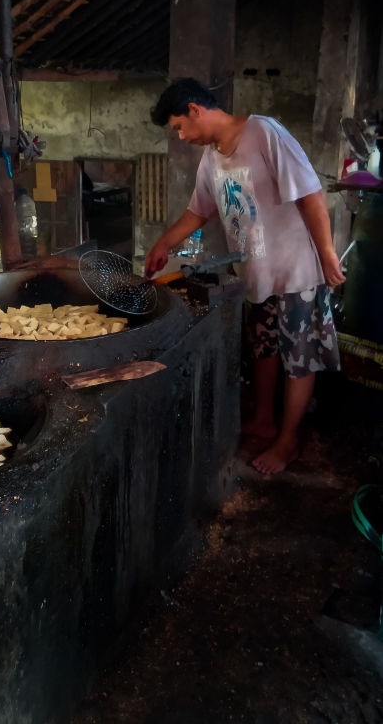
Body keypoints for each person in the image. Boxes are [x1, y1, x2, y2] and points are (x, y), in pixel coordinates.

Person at [145, 78, 344, 475]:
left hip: (295, 270)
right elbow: (198, 211)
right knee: (263, 347)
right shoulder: (212, 159)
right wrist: (163, 244)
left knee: (298, 357)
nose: (181, 136)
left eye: (179, 127)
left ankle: (287, 442)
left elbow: (310, 194)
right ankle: (265, 419)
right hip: (257, 272)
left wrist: (325, 254)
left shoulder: (265, 133)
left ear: (194, 109)